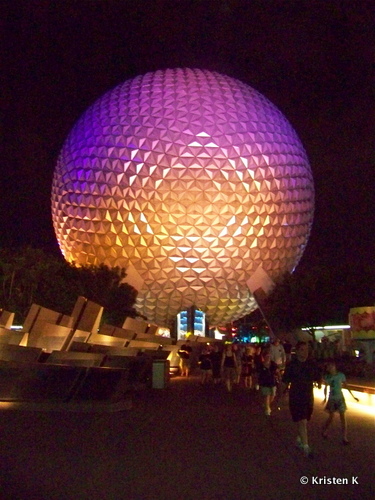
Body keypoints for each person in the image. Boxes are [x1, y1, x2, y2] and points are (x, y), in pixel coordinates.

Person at [281, 341, 322, 458]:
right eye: (303, 349)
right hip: (296, 396)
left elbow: (317, 375)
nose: (306, 352)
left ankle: (300, 439)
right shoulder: (292, 365)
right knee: (302, 421)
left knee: (305, 419)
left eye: (307, 349)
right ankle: (306, 447)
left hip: (308, 396)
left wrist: (319, 382)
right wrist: (281, 396)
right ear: (297, 351)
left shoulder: (311, 363)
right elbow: (285, 381)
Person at [322, 359, 359, 445]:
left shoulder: (341, 375)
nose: (330, 368)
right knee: (331, 417)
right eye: (329, 367)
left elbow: (346, 385)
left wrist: (353, 396)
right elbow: (326, 388)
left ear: (335, 367)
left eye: (331, 366)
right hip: (332, 398)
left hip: (339, 398)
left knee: (342, 417)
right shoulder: (328, 377)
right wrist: (325, 398)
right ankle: (324, 429)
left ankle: (344, 437)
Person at [258, 350, 279, 416]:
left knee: (272, 395)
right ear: (264, 357)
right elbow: (258, 373)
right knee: (267, 395)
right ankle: (267, 409)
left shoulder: (273, 364)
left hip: (272, 382)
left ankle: (267, 404)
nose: (268, 358)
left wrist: (278, 375)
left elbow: (277, 371)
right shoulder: (261, 365)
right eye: (267, 356)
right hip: (264, 382)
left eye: (269, 356)